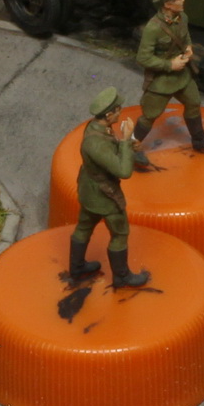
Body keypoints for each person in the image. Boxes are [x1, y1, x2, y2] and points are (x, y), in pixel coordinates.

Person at [133, 0, 204, 160]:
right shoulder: (153, 28)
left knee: (194, 102)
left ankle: (200, 140)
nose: (182, 0)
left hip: (182, 76)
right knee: (150, 114)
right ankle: (130, 147)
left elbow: (185, 37)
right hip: (161, 80)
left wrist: (188, 48)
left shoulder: (183, 18)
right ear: (167, 4)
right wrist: (169, 65)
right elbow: (143, 58)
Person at [72, 87, 150, 288]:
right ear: (108, 115)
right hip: (104, 195)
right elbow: (124, 171)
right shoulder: (95, 143)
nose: (119, 112)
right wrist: (125, 141)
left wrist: (129, 146)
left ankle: (76, 267)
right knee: (120, 233)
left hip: (89, 190)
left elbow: (109, 150)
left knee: (84, 226)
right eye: (117, 110)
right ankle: (121, 277)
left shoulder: (96, 128)